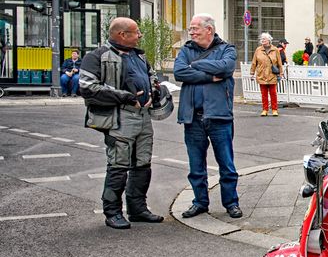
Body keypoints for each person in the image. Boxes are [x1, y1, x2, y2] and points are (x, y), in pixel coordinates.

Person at [79, 18, 163, 229]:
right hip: (119, 118)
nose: (139, 36)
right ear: (121, 35)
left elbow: (152, 77)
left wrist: (154, 90)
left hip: (143, 116)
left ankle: (138, 209)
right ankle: (113, 212)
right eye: (136, 33)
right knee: (118, 165)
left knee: (143, 162)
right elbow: (88, 87)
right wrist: (126, 96)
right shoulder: (96, 56)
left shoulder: (139, 55)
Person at [174, 14, 242, 220]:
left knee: (227, 165)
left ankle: (231, 203)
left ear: (209, 30)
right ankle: (200, 202)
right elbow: (179, 72)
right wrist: (208, 74)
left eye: (195, 29)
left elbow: (226, 68)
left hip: (219, 116)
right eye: (190, 29)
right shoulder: (186, 49)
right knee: (196, 166)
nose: (191, 32)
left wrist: (194, 65)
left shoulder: (227, 49)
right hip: (192, 117)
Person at [250, 32, 283, 116]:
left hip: (272, 74)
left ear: (269, 40)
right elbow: (254, 62)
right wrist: (252, 73)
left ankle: (274, 109)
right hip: (262, 74)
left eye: (264, 39)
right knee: (264, 94)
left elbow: (279, 63)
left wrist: (281, 73)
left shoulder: (275, 49)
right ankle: (265, 110)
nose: (262, 40)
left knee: (273, 93)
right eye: (261, 39)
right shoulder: (258, 50)